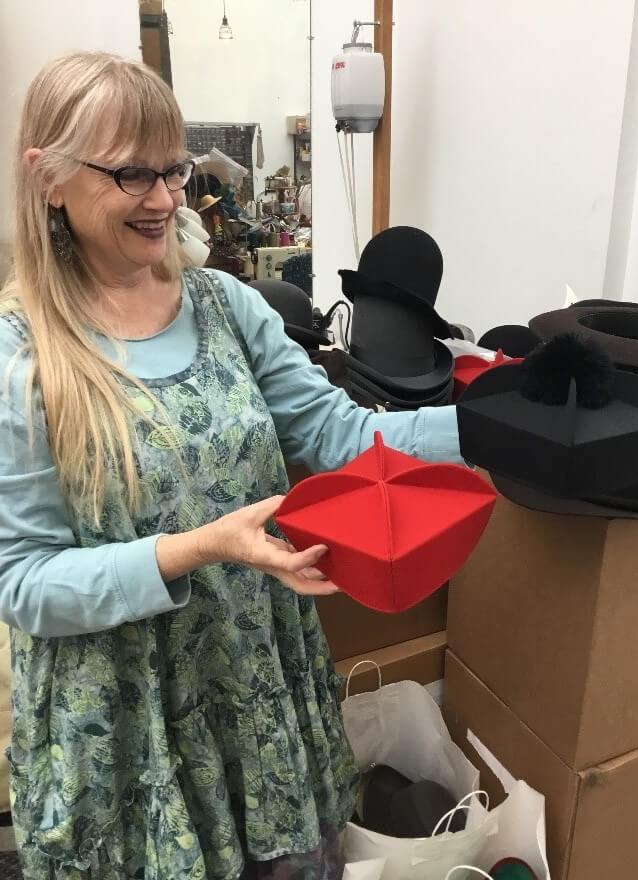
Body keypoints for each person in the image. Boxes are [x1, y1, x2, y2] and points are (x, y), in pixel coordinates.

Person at [0, 52, 462, 880]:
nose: (169, 200)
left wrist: (503, 425)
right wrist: (198, 548)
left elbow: (343, 437)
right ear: (49, 177)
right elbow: (26, 584)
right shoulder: (22, 356)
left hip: (256, 687)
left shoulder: (226, 306)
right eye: (133, 173)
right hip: (126, 720)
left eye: (174, 169)